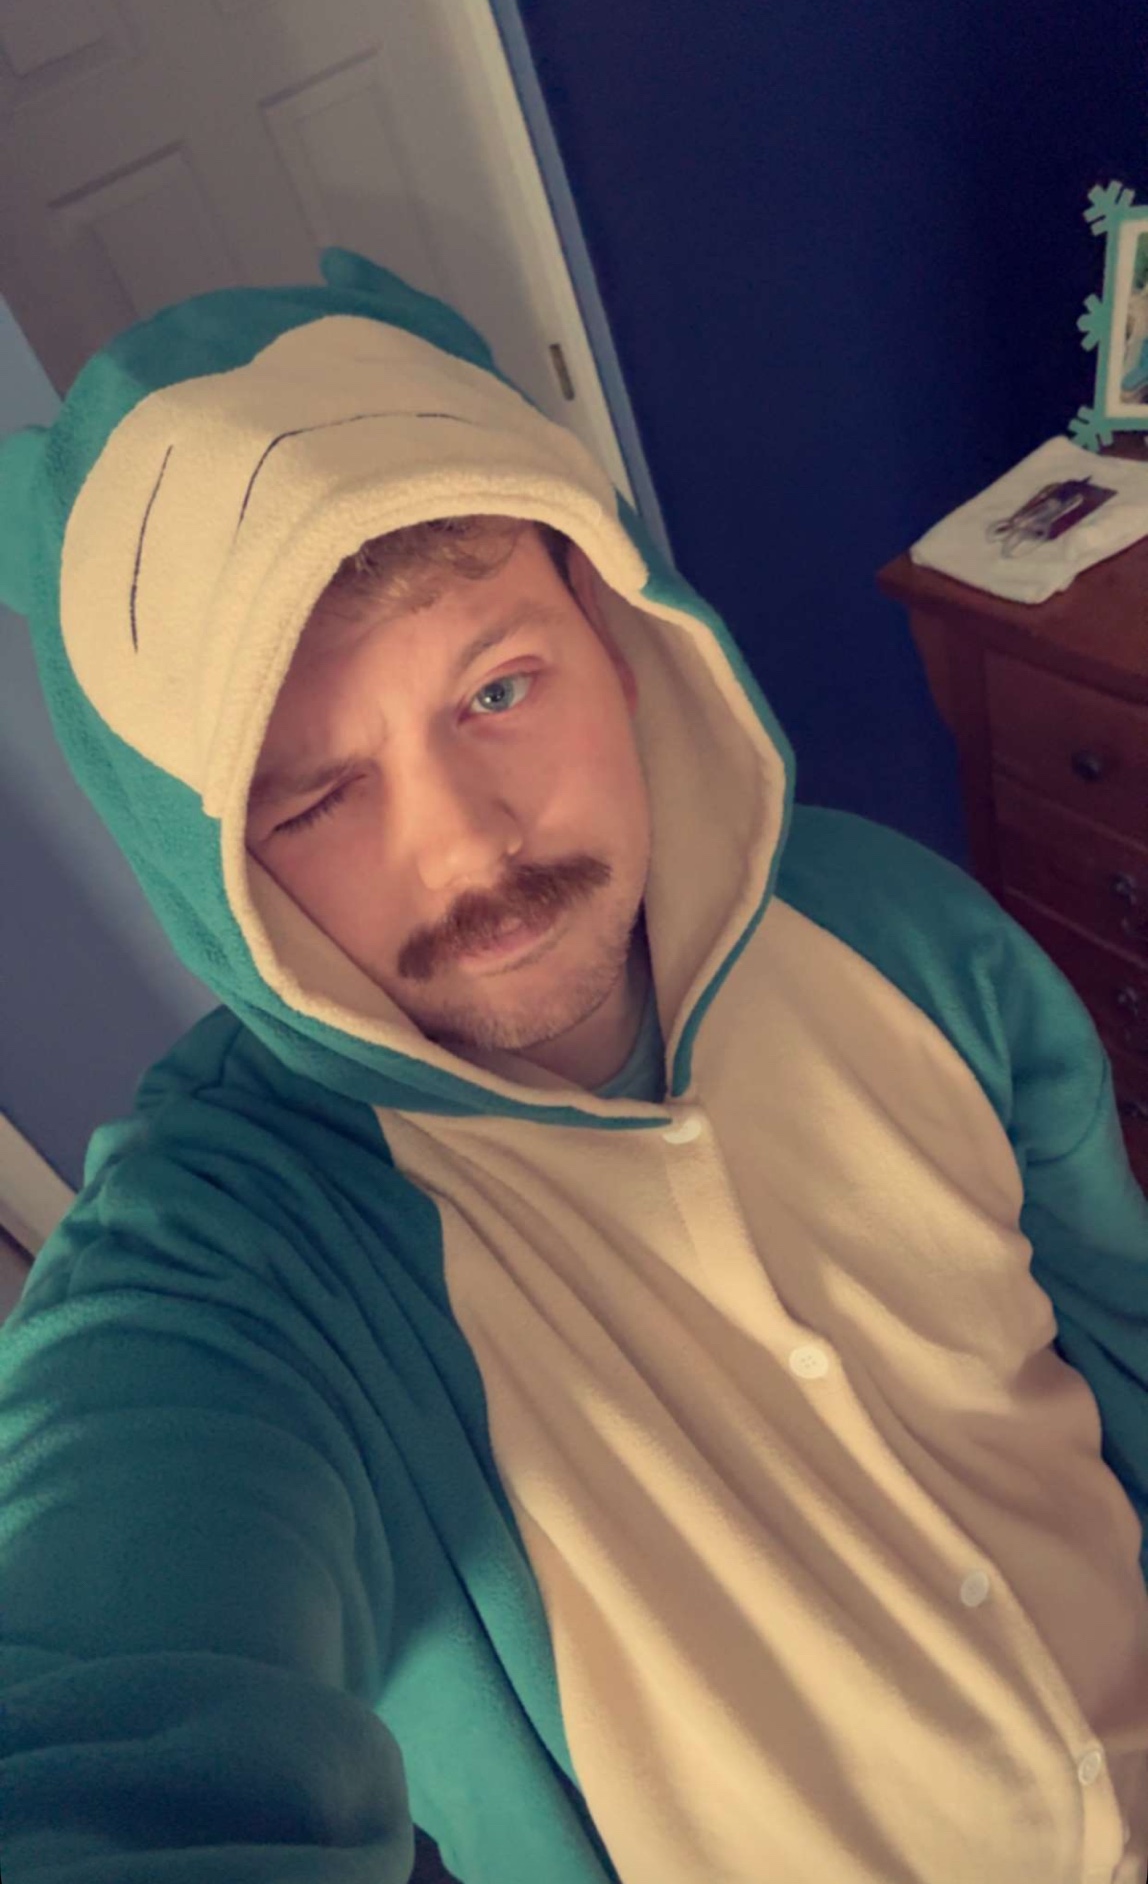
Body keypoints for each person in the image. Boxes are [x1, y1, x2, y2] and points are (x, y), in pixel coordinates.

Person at [0, 248, 1146, 1884]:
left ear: (622, 639)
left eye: (498, 688)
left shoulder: (904, 932)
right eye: (317, 797)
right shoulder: (235, 1261)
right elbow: (94, 1724)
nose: (467, 846)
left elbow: (1119, 1335)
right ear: (214, 866)